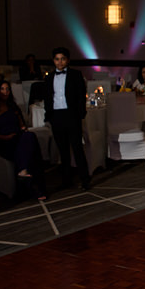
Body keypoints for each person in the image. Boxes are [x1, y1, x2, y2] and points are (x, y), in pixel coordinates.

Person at [0, 80, 46, 200]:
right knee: (28, 145)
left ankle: (24, 173)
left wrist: (23, 129)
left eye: (7, 89)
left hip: (16, 138)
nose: (5, 92)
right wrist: (5, 137)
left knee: (29, 137)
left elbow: (22, 125)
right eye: (2, 89)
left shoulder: (13, 106)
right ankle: (33, 188)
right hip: (3, 142)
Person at [43, 47, 90, 190]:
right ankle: (66, 180)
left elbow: (81, 96)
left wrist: (79, 115)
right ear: (53, 61)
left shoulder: (76, 74)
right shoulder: (49, 77)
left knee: (77, 149)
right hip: (56, 115)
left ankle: (85, 180)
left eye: (62, 58)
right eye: (57, 59)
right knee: (62, 151)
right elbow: (47, 97)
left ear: (67, 60)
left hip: (72, 115)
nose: (60, 62)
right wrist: (50, 115)